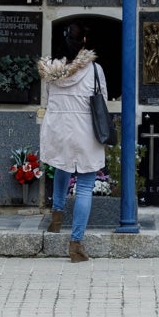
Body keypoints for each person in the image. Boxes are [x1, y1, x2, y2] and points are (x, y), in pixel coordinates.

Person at [39, 22, 107, 263]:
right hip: (85, 132)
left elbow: (48, 99)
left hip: (59, 130)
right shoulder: (96, 71)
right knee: (86, 186)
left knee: (62, 166)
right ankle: (76, 244)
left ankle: (57, 217)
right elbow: (103, 100)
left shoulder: (50, 72)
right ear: (84, 43)